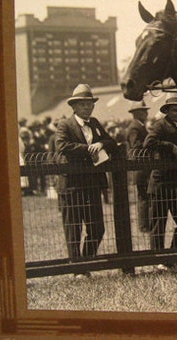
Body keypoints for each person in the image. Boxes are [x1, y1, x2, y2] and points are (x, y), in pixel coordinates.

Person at [55, 84, 117, 278]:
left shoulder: (96, 123)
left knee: (97, 228)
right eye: (82, 105)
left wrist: (100, 143)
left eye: (89, 104)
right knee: (74, 229)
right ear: (74, 107)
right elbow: (62, 146)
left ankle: (85, 261)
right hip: (72, 185)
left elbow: (111, 142)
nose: (87, 108)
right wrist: (88, 149)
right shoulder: (65, 125)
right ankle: (78, 269)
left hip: (92, 184)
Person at [143, 94, 177, 263]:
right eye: (175, 110)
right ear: (167, 111)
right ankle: (159, 260)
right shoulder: (160, 126)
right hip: (162, 182)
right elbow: (148, 142)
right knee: (158, 224)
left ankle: (174, 257)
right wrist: (170, 147)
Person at [125, 100, 151, 233]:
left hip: (144, 166)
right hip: (141, 167)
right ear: (136, 113)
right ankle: (143, 225)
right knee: (144, 196)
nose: (146, 113)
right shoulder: (135, 127)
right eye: (143, 111)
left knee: (145, 196)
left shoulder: (139, 126)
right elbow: (136, 147)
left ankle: (145, 224)